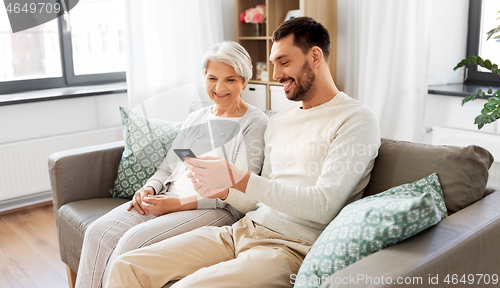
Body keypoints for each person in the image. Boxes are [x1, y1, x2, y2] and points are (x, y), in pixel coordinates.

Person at [104, 17, 381, 288]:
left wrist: (239, 178)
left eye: (284, 62)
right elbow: (258, 202)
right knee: (127, 267)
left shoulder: (355, 118)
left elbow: (323, 206)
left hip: (291, 248)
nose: (276, 75)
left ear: (315, 56)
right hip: (243, 230)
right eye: (274, 64)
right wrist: (222, 188)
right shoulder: (281, 121)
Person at [75, 41, 269, 288]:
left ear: (244, 81)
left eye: (230, 80)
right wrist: (150, 188)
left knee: (130, 244)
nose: (219, 87)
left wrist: (175, 206)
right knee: (97, 232)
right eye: (212, 78)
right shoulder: (196, 118)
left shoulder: (254, 123)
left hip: (214, 210)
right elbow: (168, 168)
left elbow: (239, 191)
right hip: (168, 196)